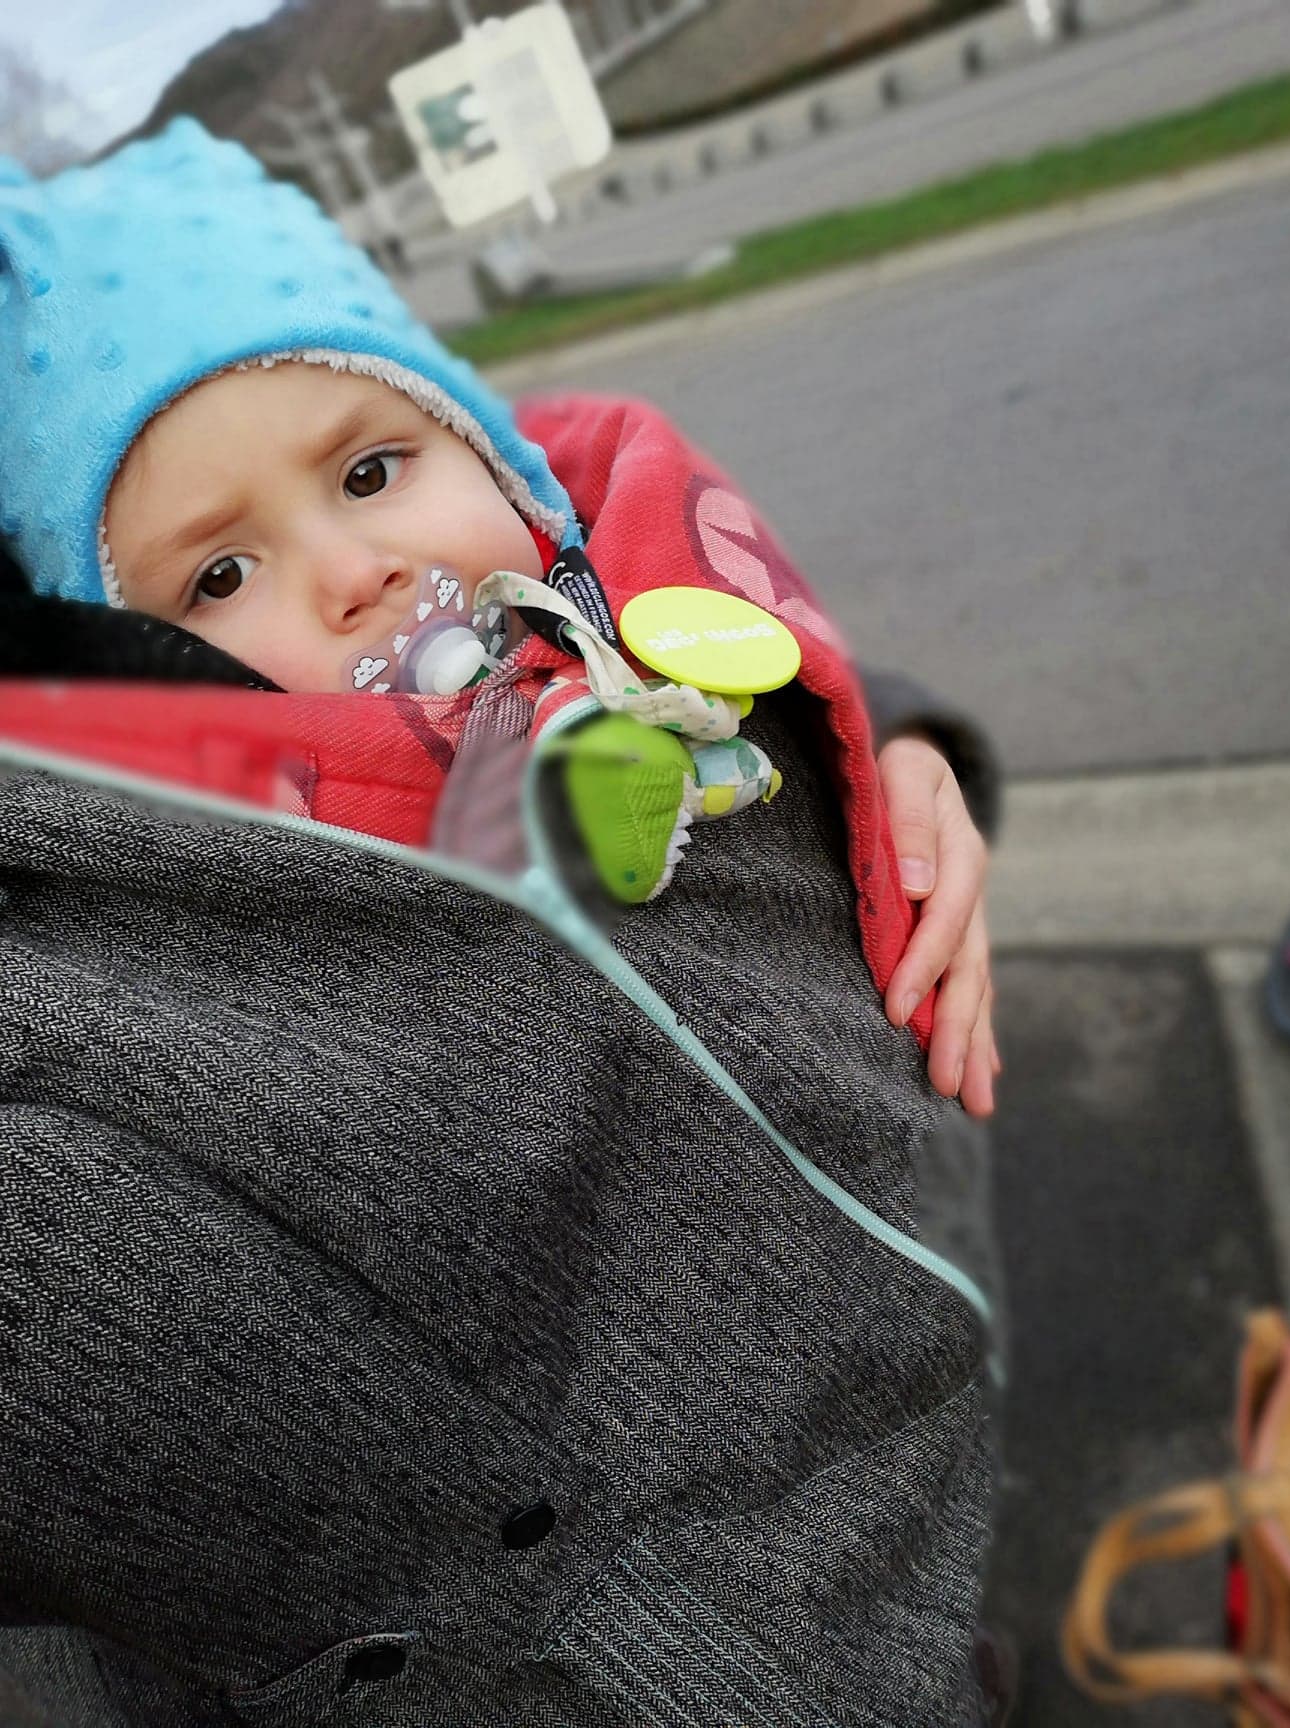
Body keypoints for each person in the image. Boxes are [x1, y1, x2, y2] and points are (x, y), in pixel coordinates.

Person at [0, 120, 1005, 1724]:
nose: (354, 571)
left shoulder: (620, 618)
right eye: (218, 576)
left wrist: (899, 742)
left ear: (491, 456)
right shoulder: (198, 905)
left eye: (374, 469)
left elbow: (758, 698)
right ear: (137, 681)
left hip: (950, 1462)